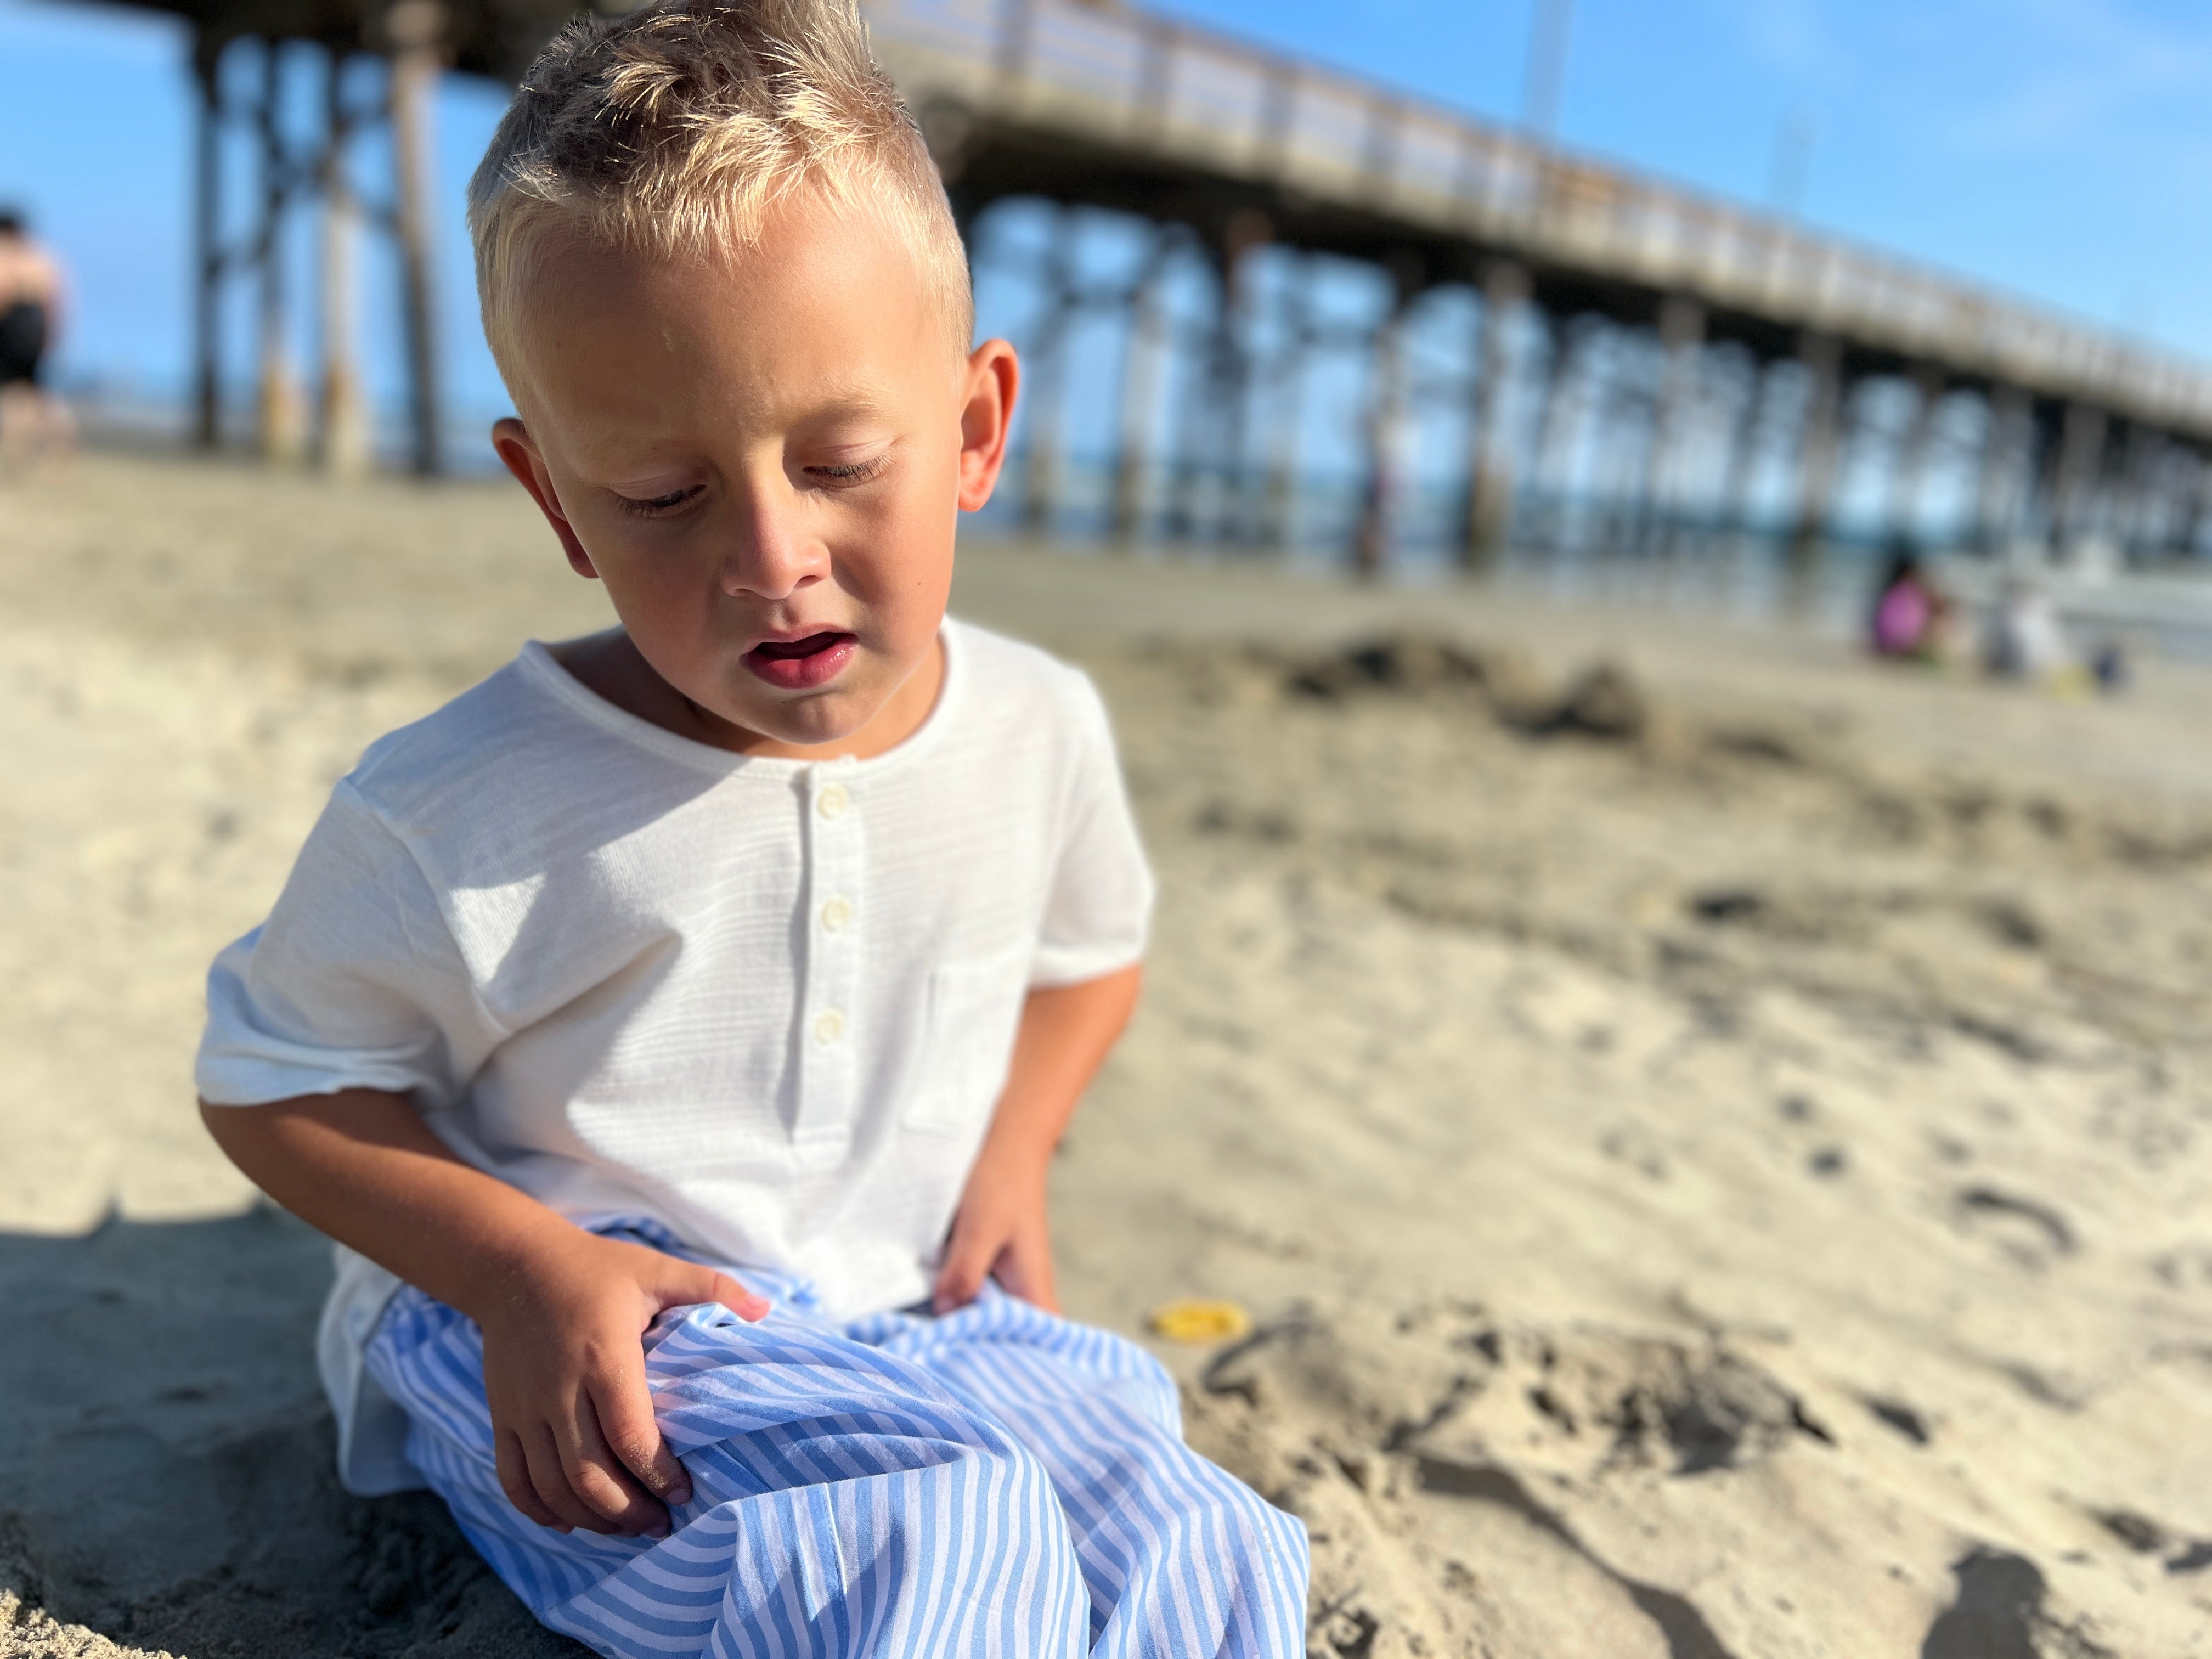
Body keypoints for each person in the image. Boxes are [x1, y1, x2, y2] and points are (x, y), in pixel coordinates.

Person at [193, 2, 1307, 1654]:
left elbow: (1091, 958)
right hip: (599, 1323)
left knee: (1192, 1525)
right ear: (558, 500)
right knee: (932, 1549)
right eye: (661, 495)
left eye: (844, 459)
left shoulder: (1037, 727)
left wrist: (1012, 1155)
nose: (772, 554)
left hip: (901, 1312)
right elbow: (276, 1080)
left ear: (978, 431)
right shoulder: (466, 803)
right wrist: (511, 1271)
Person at [0, 207, 72, 457]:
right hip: (37, 328)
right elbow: (57, 301)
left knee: (17, 389)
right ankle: (57, 444)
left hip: (15, 329)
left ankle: (17, 447)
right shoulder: (44, 258)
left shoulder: (12, 256)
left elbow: (4, 292)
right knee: (36, 389)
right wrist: (52, 335)